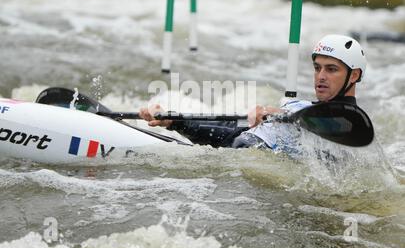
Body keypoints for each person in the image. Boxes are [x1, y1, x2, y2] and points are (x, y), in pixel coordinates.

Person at [139, 34, 367, 151]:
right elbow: (229, 133)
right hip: (237, 152)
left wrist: (275, 112)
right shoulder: (300, 108)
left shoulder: (350, 122)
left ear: (354, 75)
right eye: (317, 68)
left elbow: (339, 123)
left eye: (331, 69)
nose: (321, 76)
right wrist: (174, 121)